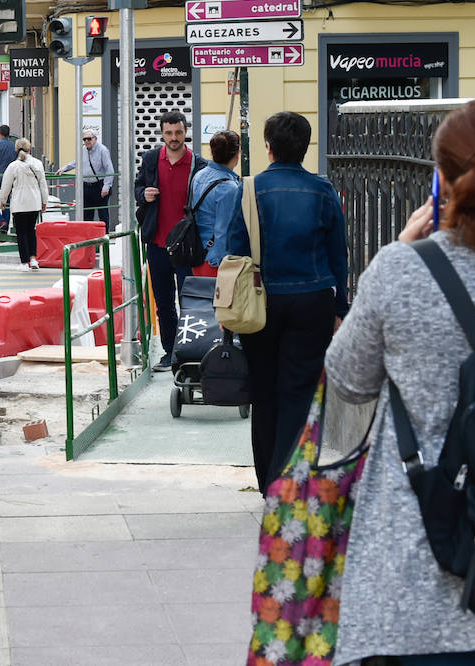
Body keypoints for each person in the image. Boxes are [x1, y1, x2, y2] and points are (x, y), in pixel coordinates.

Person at [323, 99, 475, 666]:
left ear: (441, 181)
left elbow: (347, 381)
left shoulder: (403, 272)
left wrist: (397, 250)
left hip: (412, 584)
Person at [230, 111, 349, 491]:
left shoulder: (248, 190)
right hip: (312, 300)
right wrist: (340, 307)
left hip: (260, 302)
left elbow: (235, 252)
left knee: (264, 393)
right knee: (300, 394)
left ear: (268, 147)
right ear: (305, 147)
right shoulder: (323, 190)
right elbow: (338, 255)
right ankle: (292, 484)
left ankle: (268, 483)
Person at [135, 111, 207, 372]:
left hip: (187, 247)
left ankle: (192, 351)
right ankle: (171, 352)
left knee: (190, 302)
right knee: (163, 303)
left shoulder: (199, 164)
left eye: (178, 132)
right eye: (168, 133)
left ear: (185, 131)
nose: (173, 138)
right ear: (162, 133)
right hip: (157, 243)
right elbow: (137, 187)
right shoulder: (152, 159)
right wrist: (144, 194)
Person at [187, 129, 243, 279]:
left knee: (202, 302)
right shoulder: (228, 188)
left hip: (198, 255)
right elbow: (224, 231)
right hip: (216, 262)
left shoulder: (199, 175)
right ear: (237, 154)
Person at [0, 138, 52, 271]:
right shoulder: (37, 163)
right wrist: (44, 201)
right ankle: (33, 259)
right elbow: (43, 184)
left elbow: (6, 186)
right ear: (29, 149)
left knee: (21, 233)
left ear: (16, 149)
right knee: (31, 230)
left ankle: (24, 263)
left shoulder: (13, 166)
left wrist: (2, 201)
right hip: (34, 203)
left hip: (19, 204)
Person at [61, 126, 115, 229]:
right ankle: (88, 238)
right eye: (84, 139)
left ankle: (104, 238)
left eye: (89, 139)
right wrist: (64, 169)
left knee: (103, 214)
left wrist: (106, 186)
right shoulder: (83, 150)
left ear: (95, 139)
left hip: (99, 185)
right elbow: (76, 162)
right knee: (87, 214)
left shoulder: (102, 150)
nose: (86, 141)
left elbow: (109, 169)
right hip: (86, 186)